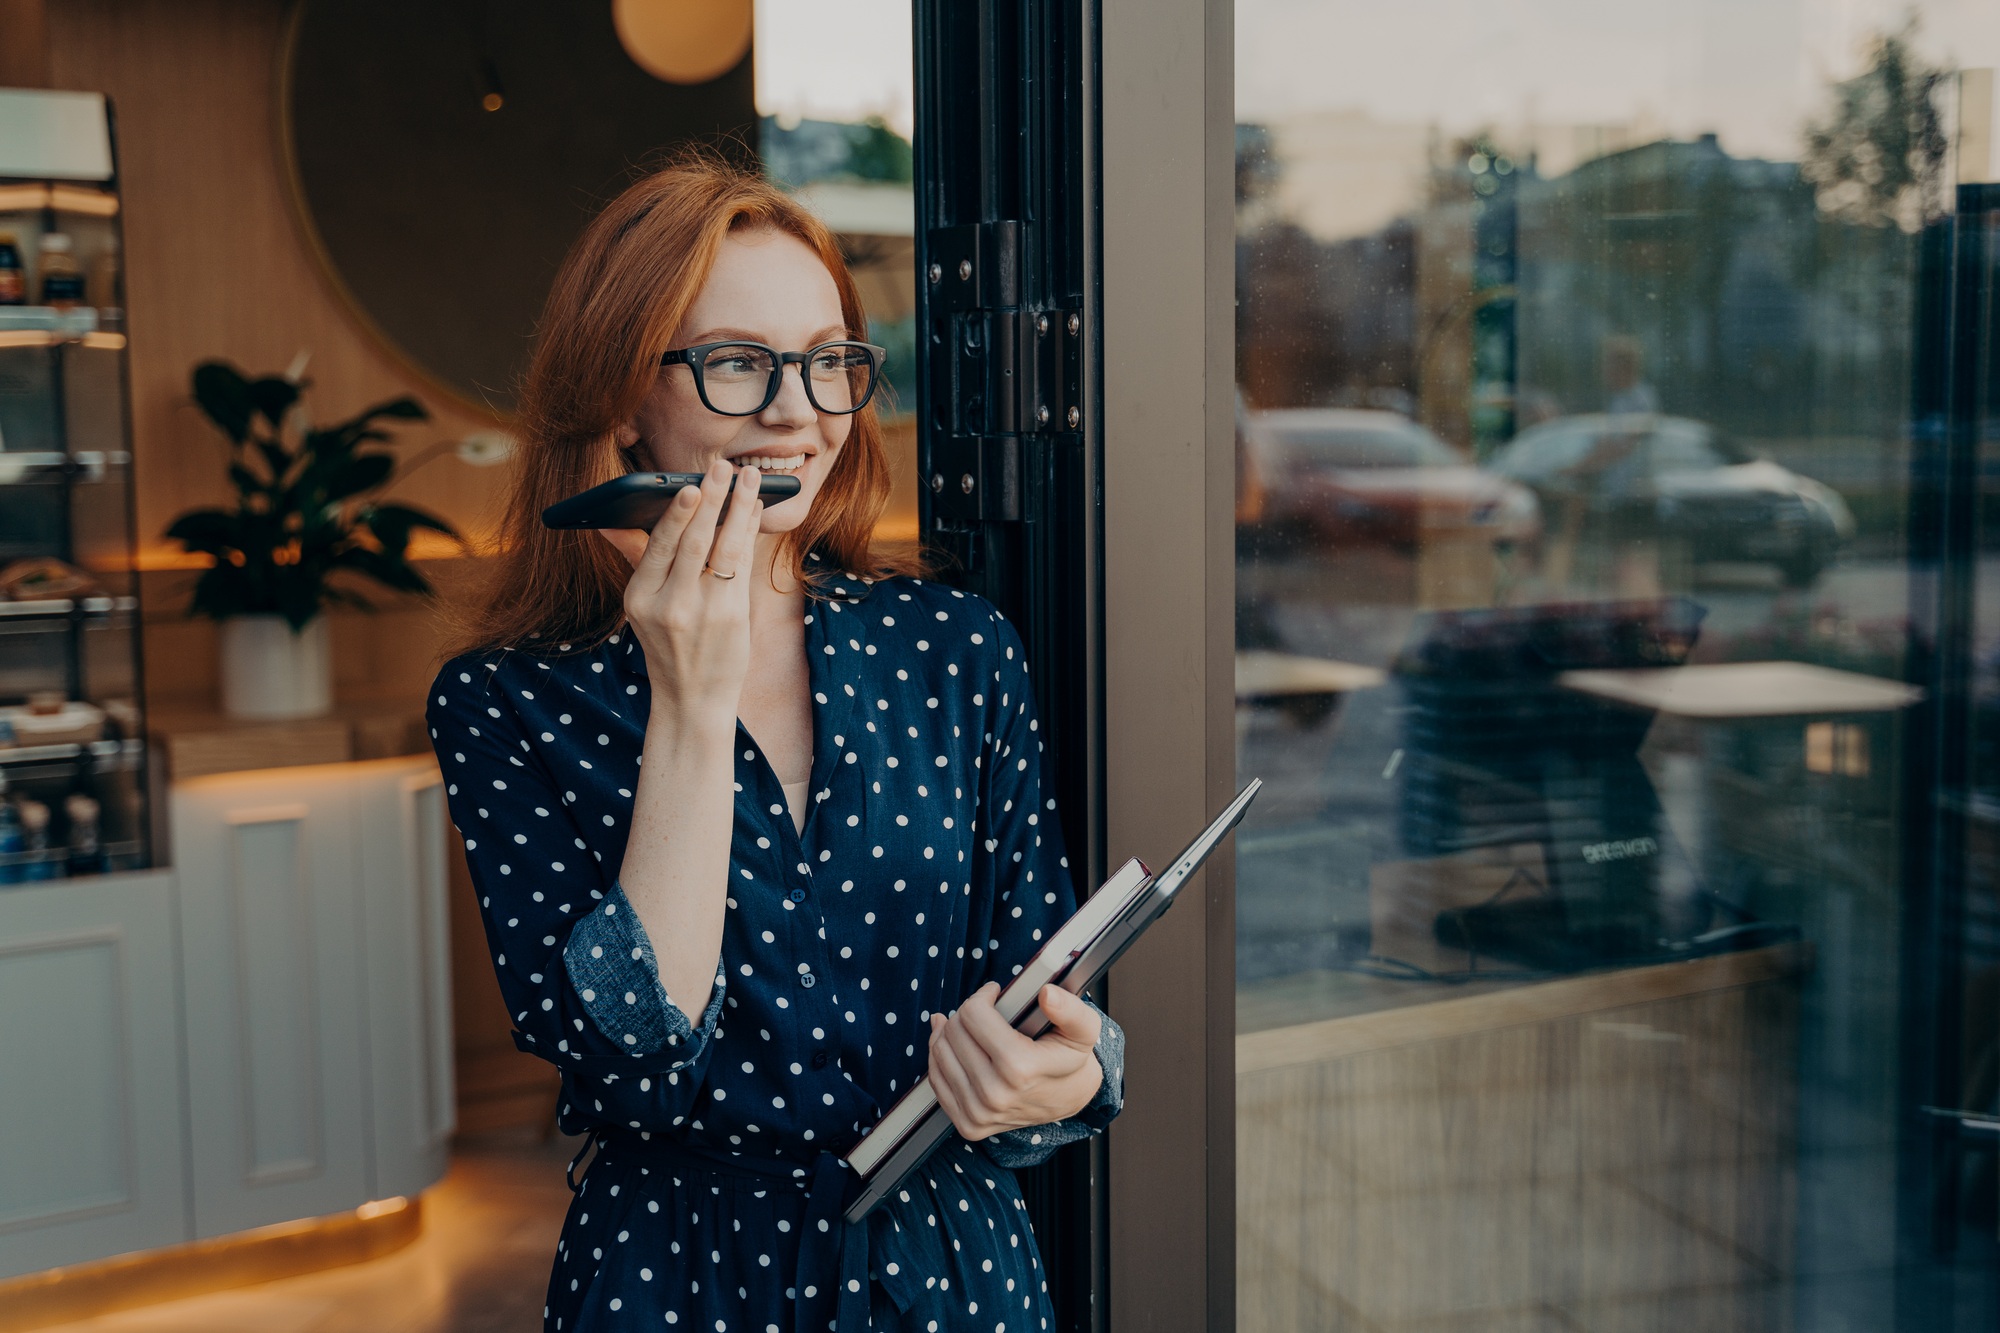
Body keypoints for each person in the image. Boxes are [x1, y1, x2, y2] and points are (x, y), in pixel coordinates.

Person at [428, 154, 1123, 1333]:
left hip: (951, 1267)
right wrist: (691, 706)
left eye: (826, 362)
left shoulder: (953, 647)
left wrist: (1073, 1074)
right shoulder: (508, 703)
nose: (797, 411)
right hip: (681, 1278)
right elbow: (635, 1054)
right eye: (739, 363)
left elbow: (1049, 989)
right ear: (619, 400)